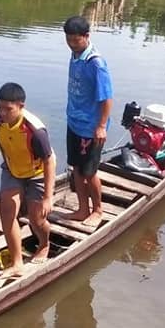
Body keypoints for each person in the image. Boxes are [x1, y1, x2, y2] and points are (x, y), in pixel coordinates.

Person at [0, 82, 55, 279]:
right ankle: (18, 263)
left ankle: (44, 244)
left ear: (21, 107)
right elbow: (2, 142)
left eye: (8, 109)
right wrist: (8, 165)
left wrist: (47, 197)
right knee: (7, 214)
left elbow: (49, 161)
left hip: (36, 173)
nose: (3, 112)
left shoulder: (35, 131)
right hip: (12, 170)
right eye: (0, 107)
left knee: (37, 219)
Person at [62, 15, 114, 228]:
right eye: (69, 40)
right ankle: (82, 209)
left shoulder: (96, 63)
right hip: (74, 122)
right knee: (76, 168)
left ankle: (97, 210)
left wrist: (101, 126)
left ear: (87, 37)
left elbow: (107, 98)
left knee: (89, 172)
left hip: (91, 129)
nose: (72, 44)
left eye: (76, 40)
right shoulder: (75, 56)